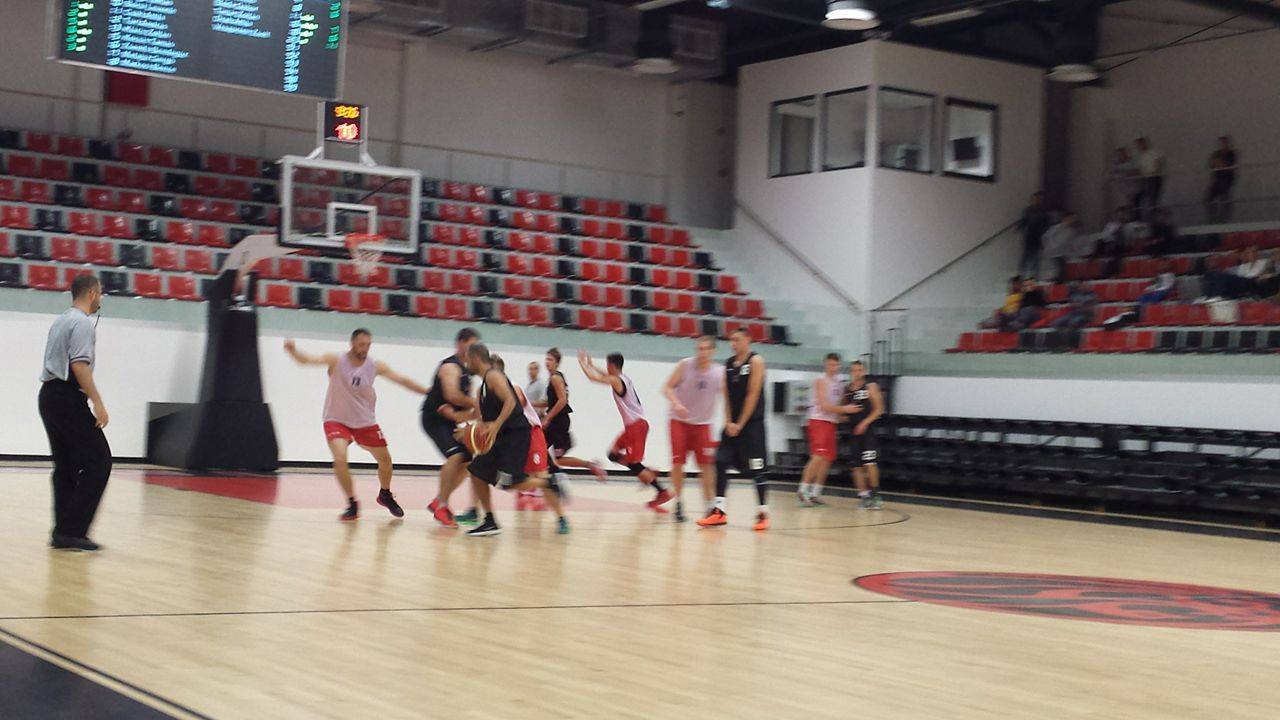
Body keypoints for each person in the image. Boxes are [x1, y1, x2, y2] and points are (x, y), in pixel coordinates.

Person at [284, 329, 429, 521]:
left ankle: (385, 494)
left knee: (385, 460)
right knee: (340, 458)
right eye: (362, 344)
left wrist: (427, 392)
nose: (365, 348)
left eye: (368, 345)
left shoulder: (375, 365)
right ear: (352, 343)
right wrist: (293, 351)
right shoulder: (336, 360)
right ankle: (352, 503)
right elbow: (308, 360)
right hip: (336, 419)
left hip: (364, 421)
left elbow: (402, 380)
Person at [462, 344, 568, 537]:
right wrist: (470, 431)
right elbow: (486, 420)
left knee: (517, 481)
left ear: (477, 358)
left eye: (468, 359)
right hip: (504, 436)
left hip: (524, 434)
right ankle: (488, 520)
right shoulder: (484, 387)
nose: (466, 363)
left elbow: (512, 402)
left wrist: (495, 425)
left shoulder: (497, 378)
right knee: (477, 472)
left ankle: (554, 495)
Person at [38, 274, 111, 551]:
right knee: (100, 461)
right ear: (91, 293)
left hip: (49, 396)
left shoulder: (61, 320)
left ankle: (63, 532)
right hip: (67, 398)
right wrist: (98, 403)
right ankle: (73, 530)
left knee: (66, 466)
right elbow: (79, 366)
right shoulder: (82, 324)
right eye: (100, 293)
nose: (101, 298)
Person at [578, 350, 672, 511]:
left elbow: (594, 378)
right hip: (632, 426)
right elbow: (605, 375)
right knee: (613, 454)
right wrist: (592, 365)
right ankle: (647, 472)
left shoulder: (616, 380)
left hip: (637, 426)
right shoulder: (623, 377)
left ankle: (662, 492)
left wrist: (582, 364)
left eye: (607, 365)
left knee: (634, 464)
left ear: (611, 365)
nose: (606, 368)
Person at [697, 328, 770, 531]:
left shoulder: (756, 361)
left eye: (737, 340)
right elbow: (727, 396)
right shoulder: (728, 364)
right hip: (732, 426)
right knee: (720, 461)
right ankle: (719, 511)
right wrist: (729, 422)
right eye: (731, 340)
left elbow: (753, 394)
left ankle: (763, 513)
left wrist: (740, 423)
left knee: (757, 469)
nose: (733, 344)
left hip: (752, 425)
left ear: (748, 340)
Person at [492, 354, 570, 534]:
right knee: (509, 483)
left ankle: (561, 518)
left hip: (531, 434)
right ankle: (549, 482)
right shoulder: (491, 392)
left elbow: (515, 405)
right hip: (515, 439)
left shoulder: (512, 387)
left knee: (540, 476)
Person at [662, 336, 725, 522]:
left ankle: (710, 506)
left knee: (706, 466)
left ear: (713, 351)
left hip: (703, 424)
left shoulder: (719, 372)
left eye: (706, 349)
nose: (702, 352)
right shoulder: (685, 365)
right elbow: (667, 388)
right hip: (679, 422)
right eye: (699, 348)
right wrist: (676, 403)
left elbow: (727, 396)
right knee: (678, 463)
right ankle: (679, 502)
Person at [423, 328, 481, 528]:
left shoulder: (467, 372)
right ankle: (442, 505)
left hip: (448, 420)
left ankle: (439, 500)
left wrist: (468, 415)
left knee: (468, 461)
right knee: (456, 456)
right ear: (460, 343)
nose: (474, 349)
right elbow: (452, 395)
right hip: (434, 418)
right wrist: (476, 403)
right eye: (471, 345)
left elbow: (467, 410)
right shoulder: (450, 366)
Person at [541, 348, 605, 480]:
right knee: (541, 448)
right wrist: (529, 403)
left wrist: (547, 418)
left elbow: (562, 400)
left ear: (557, 362)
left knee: (553, 455)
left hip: (558, 422)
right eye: (546, 359)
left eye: (550, 359)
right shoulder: (555, 377)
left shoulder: (555, 378)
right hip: (557, 421)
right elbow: (550, 402)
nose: (547, 362)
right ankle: (549, 474)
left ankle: (589, 465)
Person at [797, 353, 852, 507]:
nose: (833, 368)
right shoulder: (820, 380)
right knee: (818, 455)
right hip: (818, 420)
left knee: (827, 458)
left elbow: (838, 407)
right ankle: (802, 489)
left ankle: (815, 493)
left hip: (831, 422)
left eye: (836, 365)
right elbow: (825, 406)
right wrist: (845, 409)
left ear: (839, 365)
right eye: (830, 364)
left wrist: (846, 415)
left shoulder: (840, 383)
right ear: (825, 365)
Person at [844, 361, 885, 509]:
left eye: (859, 370)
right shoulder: (847, 389)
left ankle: (875, 495)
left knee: (869, 462)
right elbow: (843, 411)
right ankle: (863, 496)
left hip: (868, 432)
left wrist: (865, 423)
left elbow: (879, 409)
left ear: (864, 371)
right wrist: (845, 413)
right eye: (854, 370)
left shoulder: (870, 386)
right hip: (853, 431)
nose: (857, 373)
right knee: (856, 466)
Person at [1018, 192, 1050, 279]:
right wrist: (1020, 227)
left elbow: (1046, 224)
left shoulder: (1043, 211)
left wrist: (1042, 231)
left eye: (1037, 199)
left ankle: (1035, 277)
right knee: (1025, 258)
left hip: (1038, 237)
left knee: (1036, 259)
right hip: (1029, 236)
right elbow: (1023, 221)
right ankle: (1022, 276)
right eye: (1034, 199)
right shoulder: (1028, 210)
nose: (1035, 201)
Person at [1206, 135, 1238, 223]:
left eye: (1224, 142)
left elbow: (1227, 165)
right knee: (1209, 198)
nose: (1222, 144)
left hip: (1227, 179)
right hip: (1217, 179)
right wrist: (1219, 164)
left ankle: (1224, 219)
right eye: (1221, 142)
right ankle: (1213, 217)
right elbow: (1211, 164)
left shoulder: (1231, 153)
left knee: (1225, 198)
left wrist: (1219, 164)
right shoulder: (1216, 153)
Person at [1042, 211, 1081, 283]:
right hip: (1054, 252)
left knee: (1062, 269)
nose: (1073, 220)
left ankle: (1059, 281)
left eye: (1074, 218)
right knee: (1061, 268)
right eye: (1072, 218)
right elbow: (1047, 236)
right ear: (1066, 218)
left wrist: (1073, 251)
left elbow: (1071, 242)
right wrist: (1051, 246)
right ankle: (1058, 282)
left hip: (1062, 252)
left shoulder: (1071, 231)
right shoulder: (1058, 227)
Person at [1134, 137, 1165, 219]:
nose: (1139, 147)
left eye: (1140, 144)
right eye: (1138, 145)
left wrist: (1150, 173)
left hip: (1154, 178)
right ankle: (1140, 218)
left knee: (1153, 200)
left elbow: (1158, 166)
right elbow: (1140, 169)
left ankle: (1154, 218)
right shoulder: (1141, 157)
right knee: (1139, 198)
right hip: (1145, 179)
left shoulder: (1153, 153)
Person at [1111, 147, 1140, 211]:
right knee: (1126, 207)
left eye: (1123, 154)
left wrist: (1128, 174)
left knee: (1135, 206)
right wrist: (1125, 174)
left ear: (1126, 154)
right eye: (1119, 155)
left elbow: (1137, 172)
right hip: (1123, 190)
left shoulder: (1132, 162)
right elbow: (1114, 175)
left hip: (1134, 189)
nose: (1121, 156)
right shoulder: (1116, 165)